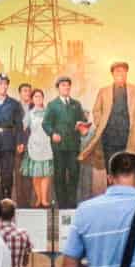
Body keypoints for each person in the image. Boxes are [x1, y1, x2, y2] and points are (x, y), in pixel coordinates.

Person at [82, 62, 135, 191]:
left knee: (128, 167)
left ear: (126, 73)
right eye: (117, 72)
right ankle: (112, 193)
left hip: (129, 136)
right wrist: (101, 123)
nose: (120, 74)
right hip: (109, 137)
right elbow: (96, 110)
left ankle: (128, 195)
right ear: (112, 74)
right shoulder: (103, 91)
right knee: (111, 167)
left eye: (123, 71)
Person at [42, 76, 89, 208]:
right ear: (58, 88)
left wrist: (83, 128)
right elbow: (46, 124)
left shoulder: (76, 104)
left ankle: (72, 203)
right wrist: (52, 133)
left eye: (68, 85)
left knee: (74, 173)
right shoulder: (52, 105)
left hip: (74, 145)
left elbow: (82, 122)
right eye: (63, 85)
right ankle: (62, 205)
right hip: (59, 146)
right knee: (59, 175)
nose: (66, 87)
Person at [20, 89, 54, 208]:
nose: (38, 99)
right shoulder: (29, 114)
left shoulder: (48, 112)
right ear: (32, 99)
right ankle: (38, 198)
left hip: (47, 144)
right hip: (34, 145)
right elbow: (22, 127)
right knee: (36, 175)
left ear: (43, 98)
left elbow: (53, 127)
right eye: (35, 97)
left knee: (46, 174)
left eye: (40, 96)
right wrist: (20, 141)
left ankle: (44, 199)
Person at [15, 82, 36, 206]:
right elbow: (14, 127)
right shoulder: (14, 107)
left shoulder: (36, 106)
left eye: (29, 90)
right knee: (19, 175)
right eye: (24, 91)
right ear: (20, 93)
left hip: (33, 146)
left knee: (30, 175)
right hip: (18, 145)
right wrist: (19, 143)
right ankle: (20, 203)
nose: (27, 93)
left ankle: (28, 203)